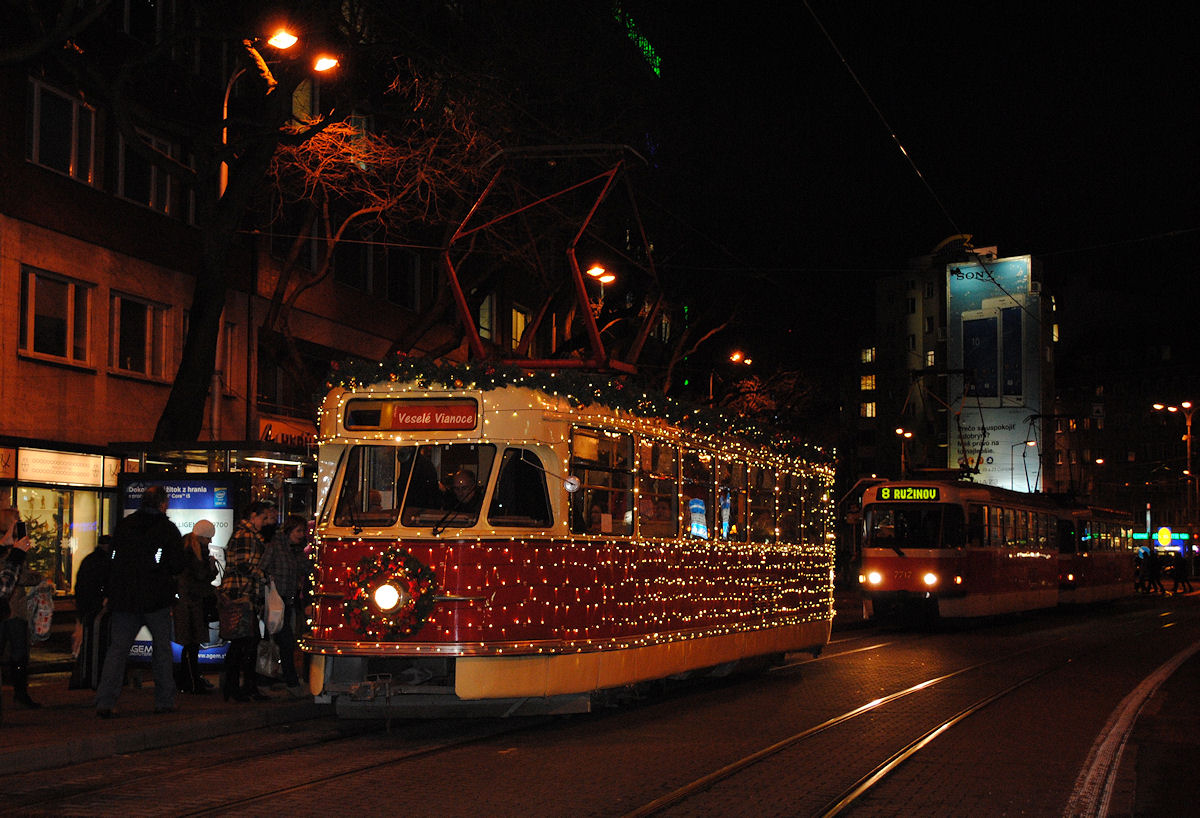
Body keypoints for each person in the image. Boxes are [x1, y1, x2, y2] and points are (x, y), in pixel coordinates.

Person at [94, 486, 186, 718]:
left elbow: (111, 561)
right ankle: (164, 700)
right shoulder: (167, 529)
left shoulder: (125, 525)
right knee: (162, 649)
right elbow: (177, 564)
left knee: (117, 650)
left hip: (124, 599)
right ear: (163, 504)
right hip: (156, 599)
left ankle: (106, 701)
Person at [220, 500, 273, 702]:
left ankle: (240, 687)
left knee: (244, 642)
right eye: (262, 518)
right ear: (253, 516)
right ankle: (237, 688)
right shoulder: (246, 535)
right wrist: (264, 576)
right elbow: (244, 565)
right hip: (242, 594)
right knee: (243, 642)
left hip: (243, 593)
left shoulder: (247, 535)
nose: (264, 522)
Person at [261, 515, 311, 696]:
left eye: (303, 531)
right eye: (298, 530)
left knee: (279, 642)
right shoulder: (276, 546)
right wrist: (270, 582)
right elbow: (263, 568)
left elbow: (307, 567)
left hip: (286, 602)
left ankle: (268, 679)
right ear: (289, 530)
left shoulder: (295, 550)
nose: (301, 534)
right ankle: (290, 682)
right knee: (284, 642)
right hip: (275, 601)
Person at [1, 507, 44, 710]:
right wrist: (39, 577)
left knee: (16, 651)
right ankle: (20, 691)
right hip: (11, 609)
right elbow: (10, 577)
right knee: (18, 651)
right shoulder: (10, 550)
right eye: (16, 519)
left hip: (11, 608)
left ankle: (20, 691)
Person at [174, 520, 218, 694]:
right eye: (209, 538)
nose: (210, 542)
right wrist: (212, 567)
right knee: (192, 645)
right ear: (202, 537)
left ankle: (187, 680)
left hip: (187, 603)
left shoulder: (185, 548)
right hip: (193, 604)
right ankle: (191, 681)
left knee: (190, 644)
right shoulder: (195, 553)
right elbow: (202, 577)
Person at [69, 534, 112, 691]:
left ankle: (84, 677)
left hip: (87, 606)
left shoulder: (89, 560)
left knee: (86, 643)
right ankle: (93, 677)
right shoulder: (105, 561)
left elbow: (82, 585)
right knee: (96, 643)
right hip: (96, 608)